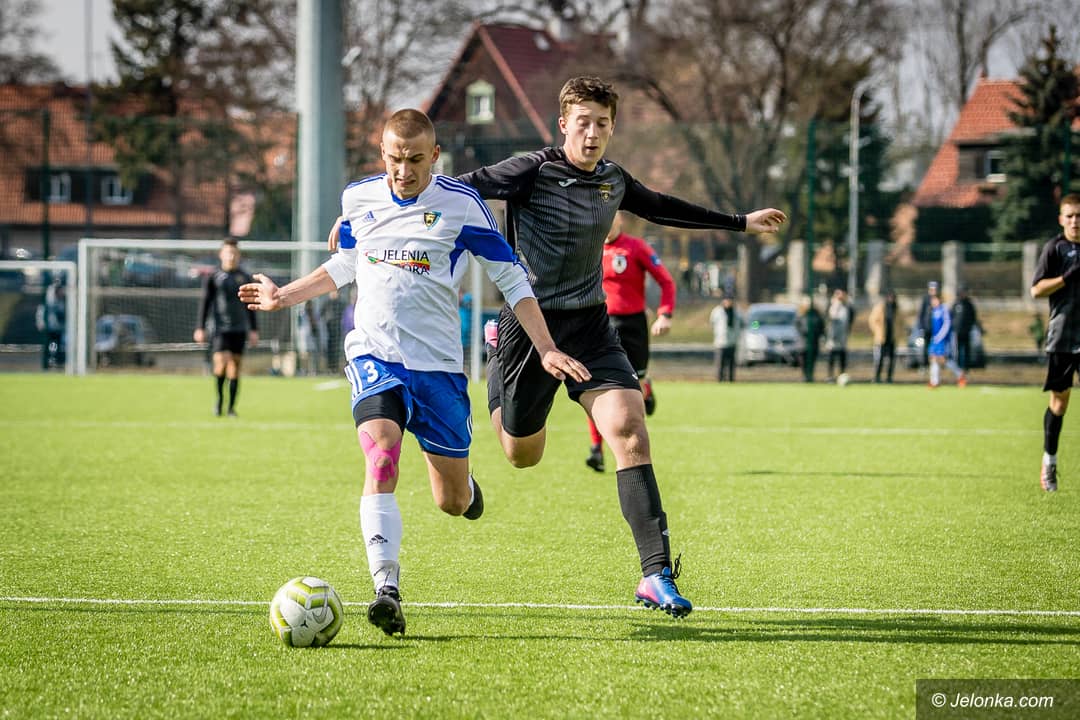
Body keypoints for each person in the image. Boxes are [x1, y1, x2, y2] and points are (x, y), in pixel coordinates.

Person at [242, 109, 586, 637]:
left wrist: (545, 347)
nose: (403, 172)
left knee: (452, 501)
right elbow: (348, 262)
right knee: (381, 456)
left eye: (415, 161)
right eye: (394, 160)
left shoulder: (462, 205)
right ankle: (387, 588)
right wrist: (283, 295)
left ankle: (466, 488)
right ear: (382, 154)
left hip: (439, 368)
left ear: (435, 157)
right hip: (374, 356)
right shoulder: (359, 198)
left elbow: (513, 280)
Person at [457, 76, 787, 617]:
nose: (592, 134)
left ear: (612, 128)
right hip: (529, 327)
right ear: (563, 124)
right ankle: (497, 363)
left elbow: (662, 206)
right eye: (582, 123)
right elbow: (454, 188)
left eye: (602, 124)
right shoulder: (530, 170)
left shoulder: (613, 179)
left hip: (591, 326)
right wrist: (369, 215)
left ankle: (655, 574)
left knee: (630, 428)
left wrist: (739, 223)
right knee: (521, 454)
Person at [583, 211, 677, 473]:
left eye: (611, 216)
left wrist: (665, 314)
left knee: (635, 389)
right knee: (595, 386)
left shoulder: (636, 248)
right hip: (601, 324)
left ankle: (645, 388)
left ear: (620, 220)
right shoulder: (588, 250)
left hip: (634, 326)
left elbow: (666, 281)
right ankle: (596, 449)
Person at [1030, 193, 1080, 492]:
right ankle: (1049, 463)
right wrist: (1066, 277)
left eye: (1079, 216)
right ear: (1061, 219)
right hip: (1063, 337)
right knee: (1060, 402)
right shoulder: (1055, 248)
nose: (1075, 221)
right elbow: (1036, 290)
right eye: (1070, 216)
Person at [194, 239, 259, 417]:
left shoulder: (244, 277)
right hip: (219, 328)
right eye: (228, 252)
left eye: (234, 253)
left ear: (238, 255)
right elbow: (205, 302)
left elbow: (250, 305)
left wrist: (254, 329)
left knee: (234, 368)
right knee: (221, 364)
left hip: (239, 328)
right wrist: (200, 327)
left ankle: (231, 408)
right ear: (221, 254)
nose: (231, 256)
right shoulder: (213, 277)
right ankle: (219, 401)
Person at [36, 276, 66, 370]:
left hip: (59, 328)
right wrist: (41, 323)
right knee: (47, 346)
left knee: (59, 346)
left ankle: (58, 363)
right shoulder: (48, 301)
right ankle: (46, 365)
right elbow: (41, 311)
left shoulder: (63, 302)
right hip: (49, 327)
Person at [951, 286, 978, 387]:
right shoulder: (956, 304)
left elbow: (973, 317)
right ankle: (958, 370)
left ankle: (965, 369)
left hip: (966, 332)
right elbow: (951, 316)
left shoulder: (969, 304)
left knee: (966, 351)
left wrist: (970, 327)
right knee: (957, 352)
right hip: (957, 332)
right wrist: (954, 327)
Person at [868, 290, 898, 383]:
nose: (891, 299)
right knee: (879, 358)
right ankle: (877, 377)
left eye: (893, 297)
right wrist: (877, 331)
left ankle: (889, 377)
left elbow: (899, 323)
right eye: (890, 297)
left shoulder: (896, 309)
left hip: (891, 338)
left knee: (891, 359)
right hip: (881, 338)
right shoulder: (880, 307)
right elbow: (872, 320)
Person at [926, 292, 954, 388]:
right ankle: (934, 381)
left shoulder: (943, 309)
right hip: (934, 339)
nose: (933, 302)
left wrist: (940, 336)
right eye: (932, 300)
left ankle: (960, 374)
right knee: (933, 358)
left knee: (943, 359)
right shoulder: (933, 310)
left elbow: (947, 324)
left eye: (935, 300)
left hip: (941, 339)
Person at [710, 293, 740, 382]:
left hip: (732, 342)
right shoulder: (717, 312)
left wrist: (756, 325)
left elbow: (746, 323)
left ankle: (731, 381)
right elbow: (712, 323)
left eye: (730, 300)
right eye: (727, 300)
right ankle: (720, 380)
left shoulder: (737, 312)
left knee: (731, 364)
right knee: (720, 364)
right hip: (720, 342)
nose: (728, 302)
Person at [824, 288, 853, 382]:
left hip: (843, 336)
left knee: (842, 357)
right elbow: (830, 317)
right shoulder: (832, 305)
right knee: (831, 357)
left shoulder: (847, 307)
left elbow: (851, 317)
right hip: (833, 337)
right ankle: (830, 376)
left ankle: (842, 375)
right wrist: (836, 304)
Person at [796, 297, 824, 382]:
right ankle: (804, 376)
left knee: (812, 360)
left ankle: (810, 376)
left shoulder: (817, 317)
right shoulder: (801, 316)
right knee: (803, 360)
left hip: (813, 343)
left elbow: (821, 328)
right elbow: (798, 327)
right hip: (803, 343)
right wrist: (806, 332)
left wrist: (816, 334)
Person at [918, 280, 939, 369]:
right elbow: (921, 314)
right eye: (931, 289)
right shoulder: (925, 299)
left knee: (936, 347)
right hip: (927, 327)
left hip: (936, 328)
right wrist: (921, 327)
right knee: (926, 347)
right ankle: (924, 364)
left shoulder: (938, 299)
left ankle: (935, 364)